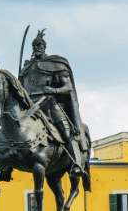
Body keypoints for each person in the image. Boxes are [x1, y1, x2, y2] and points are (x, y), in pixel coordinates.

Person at [19, 29, 85, 168]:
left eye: (40, 46)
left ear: (44, 47)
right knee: (12, 129)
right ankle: (6, 167)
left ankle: (77, 165)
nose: (37, 48)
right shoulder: (26, 68)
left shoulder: (55, 64)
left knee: (67, 132)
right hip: (29, 107)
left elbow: (68, 87)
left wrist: (53, 90)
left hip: (49, 104)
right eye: (35, 46)